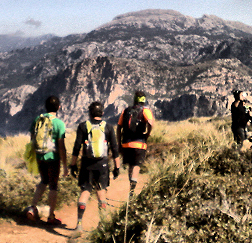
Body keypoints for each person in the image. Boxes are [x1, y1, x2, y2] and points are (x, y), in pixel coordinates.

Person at [69, 102, 121, 232]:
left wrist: (73, 165)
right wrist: (117, 167)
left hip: (86, 164)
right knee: (101, 192)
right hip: (102, 164)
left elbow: (76, 147)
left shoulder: (83, 126)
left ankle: (79, 224)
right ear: (102, 113)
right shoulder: (108, 127)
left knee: (85, 191)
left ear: (90, 113)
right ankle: (102, 225)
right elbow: (115, 149)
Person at [26, 95, 68, 226]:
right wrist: (65, 165)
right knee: (53, 185)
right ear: (59, 107)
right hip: (53, 158)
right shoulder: (59, 123)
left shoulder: (37, 119)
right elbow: (61, 146)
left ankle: (33, 207)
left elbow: (32, 138)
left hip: (40, 156)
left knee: (43, 181)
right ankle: (51, 216)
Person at [117, 91, 155, 197]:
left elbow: (119, 127)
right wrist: (147, 133)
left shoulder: (126, 111)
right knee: (136, 165)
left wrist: (119, 143)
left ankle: (131, 186)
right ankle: (132, 189)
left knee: (130, 165)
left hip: (126, 143)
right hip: (139, 143)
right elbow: (150, 123)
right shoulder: (145, 110)